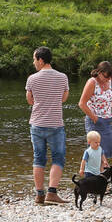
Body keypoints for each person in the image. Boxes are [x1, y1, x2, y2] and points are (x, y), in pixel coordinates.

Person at [26, 45, 70, 205]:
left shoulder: (32, 78)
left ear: (41, 59)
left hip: (37, 124)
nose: (33, 62)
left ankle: (39, 194)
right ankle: (52, 192)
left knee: (38, 159)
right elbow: (64, 98)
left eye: (34, 59)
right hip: (56, 124)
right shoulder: (63, 77)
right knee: (58, 158)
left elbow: (30, 100)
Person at [78, 62, 112, 173]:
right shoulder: (92, 82)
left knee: (106, 151)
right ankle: (94, 179)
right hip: (95, 121)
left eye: (110, 77)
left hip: (107, 120)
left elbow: (110, 96)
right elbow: (82, 103)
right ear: (99, 72)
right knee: (95, 152)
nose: (108, 79)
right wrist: (94, 117)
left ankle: (101, 180)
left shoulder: (109, 81)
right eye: (106, 76)